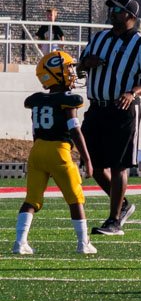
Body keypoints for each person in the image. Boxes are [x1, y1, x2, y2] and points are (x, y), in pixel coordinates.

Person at [77, 0, 141, 236]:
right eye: (112, 9)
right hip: (97, 107)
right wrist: (86, 64)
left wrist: (132, 92)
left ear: (130, 16)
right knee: (91, 163)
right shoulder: (100, 38)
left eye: (117, 10)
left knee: (118, 165)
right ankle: (122, 205)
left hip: (122, 109)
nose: (112, 12)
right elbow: (80, 67)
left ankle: (114, 220)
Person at [15, 51, 98, 256]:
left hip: (36, 152)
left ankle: (20, 242)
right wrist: (86, 158)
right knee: (75, 198)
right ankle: (83, 243)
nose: (72, 71)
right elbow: (75, 129)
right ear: (56, 73)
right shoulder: (68, 100)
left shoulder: (36, 100)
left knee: (32, 200)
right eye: (68, 68)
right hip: (59, 151)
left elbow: (36, 130)